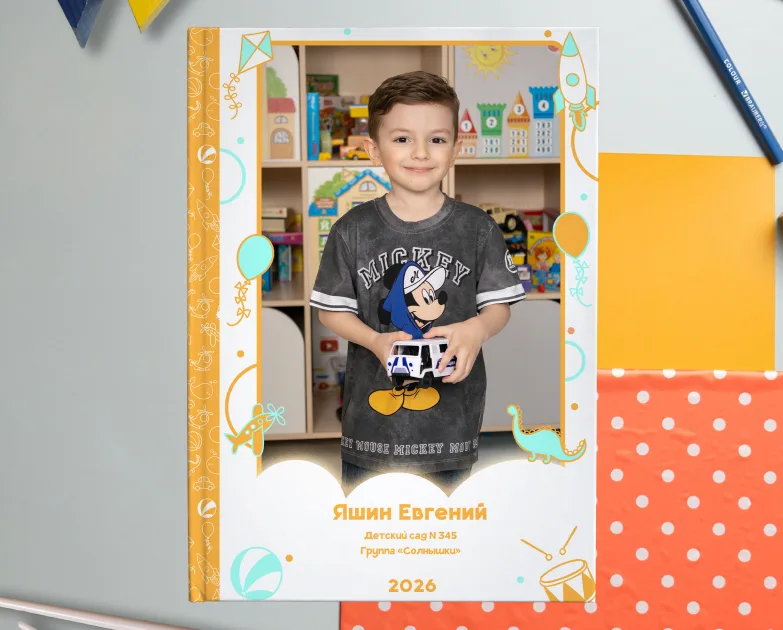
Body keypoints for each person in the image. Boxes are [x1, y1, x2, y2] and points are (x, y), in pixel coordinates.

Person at [309, 70, 525, 494]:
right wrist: (375, 340)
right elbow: (330, 312)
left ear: (456, 149)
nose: (421, 152)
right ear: (374, 150)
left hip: (452, 426)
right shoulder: (352, 230)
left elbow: (499, 306)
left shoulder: (477, 228)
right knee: (369, 522)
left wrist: (477, 328)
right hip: (370, 430)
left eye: (437, 139)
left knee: (448, 523)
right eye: (403, 138)